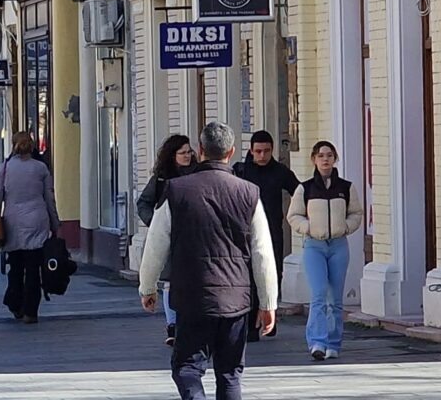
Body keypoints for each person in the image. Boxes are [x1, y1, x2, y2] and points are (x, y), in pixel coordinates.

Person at [138, 121, 279, 400]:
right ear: (231, 152)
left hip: (192, 297)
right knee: (229, 374)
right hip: (235, 300)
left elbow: (155, 244)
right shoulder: (249, 193)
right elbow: (263, 252)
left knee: (187, 368)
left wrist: (148, 287)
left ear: (201, 150)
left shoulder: (176, 191)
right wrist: (268, 303)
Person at [287, 140, 361, 361]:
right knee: (318, 294)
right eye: (321, 155)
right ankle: (317, 342)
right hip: (314, 246)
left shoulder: (346, 188)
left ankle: (333, 343)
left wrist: (346, 227)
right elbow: (293, 215)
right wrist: (307, 227)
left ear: (335, 158)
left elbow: (356, 213)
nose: (325, 159)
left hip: (338, 245)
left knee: (335, 299)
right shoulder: (305, 188)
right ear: (314, 159)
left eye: (329, 155)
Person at [0, 132, 59, 324]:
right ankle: (31, 311)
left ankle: (15, 302)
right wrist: (55, 223)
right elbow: (49, 198)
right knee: (34, 268)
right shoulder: (41, 168)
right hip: (37, 220)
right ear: (32, 146)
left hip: (13, 222)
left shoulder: (5, 168)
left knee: (16, 266)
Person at [234, 130, 300, 340]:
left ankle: (270, 319)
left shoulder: (280, 171)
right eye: (258, 151)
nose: (262, 156)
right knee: (249, 279)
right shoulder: (241, 172)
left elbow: (299, 193)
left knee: (273, 275)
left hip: (272, 231)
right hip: (245, 232)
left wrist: (295, 217)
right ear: (251, 151)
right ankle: (251, 326)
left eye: (267, 151)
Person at [136, 134, 196, 346]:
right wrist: (155, 224)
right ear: (172, 156)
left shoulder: (198, 173)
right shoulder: (161, 178)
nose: (187, 156)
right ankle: (172, 324)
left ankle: (187, 321)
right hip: (169, 237)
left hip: (193, 235)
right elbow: (143, 203)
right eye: (182, 153)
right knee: (170, 280)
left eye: (189, 152)